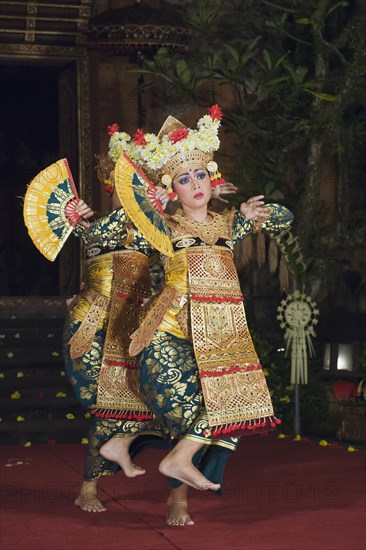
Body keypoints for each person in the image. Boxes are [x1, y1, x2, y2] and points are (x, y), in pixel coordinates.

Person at [95, 105, 294, 524]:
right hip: (167, 336)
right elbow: (124, 221)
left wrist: (254, 214)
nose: (195, 183)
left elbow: (284, 218)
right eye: (184, 180)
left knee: (238, 407)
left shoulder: (227, 224)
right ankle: (173, 472)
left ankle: (125, 444)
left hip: (215, 339)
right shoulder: (164, 227)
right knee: (211, 410)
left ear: (212, 177)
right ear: (173, 190)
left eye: (200, 175)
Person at [63, 157, 171, 513]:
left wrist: (166, 210)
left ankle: (109, 460)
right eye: (123, 187)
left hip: (131, 328)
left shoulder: (153, 230)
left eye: (137, 187)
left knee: (146, 403)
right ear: (111, 189)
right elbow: (98, 232)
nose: (129, 194)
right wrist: (75, 215)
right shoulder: (94, 227)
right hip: (91, 325)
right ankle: (89, 487)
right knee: (105, 405)